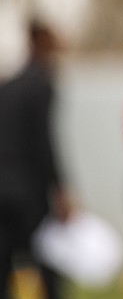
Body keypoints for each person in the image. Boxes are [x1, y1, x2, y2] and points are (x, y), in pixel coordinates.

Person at [0, 22, 72, 299]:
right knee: (48, 261)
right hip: (29, 191)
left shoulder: (8, 86)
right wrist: (60, 187)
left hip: (3, 189)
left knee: (5, 262)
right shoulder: (41, 84)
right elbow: (43, 141)